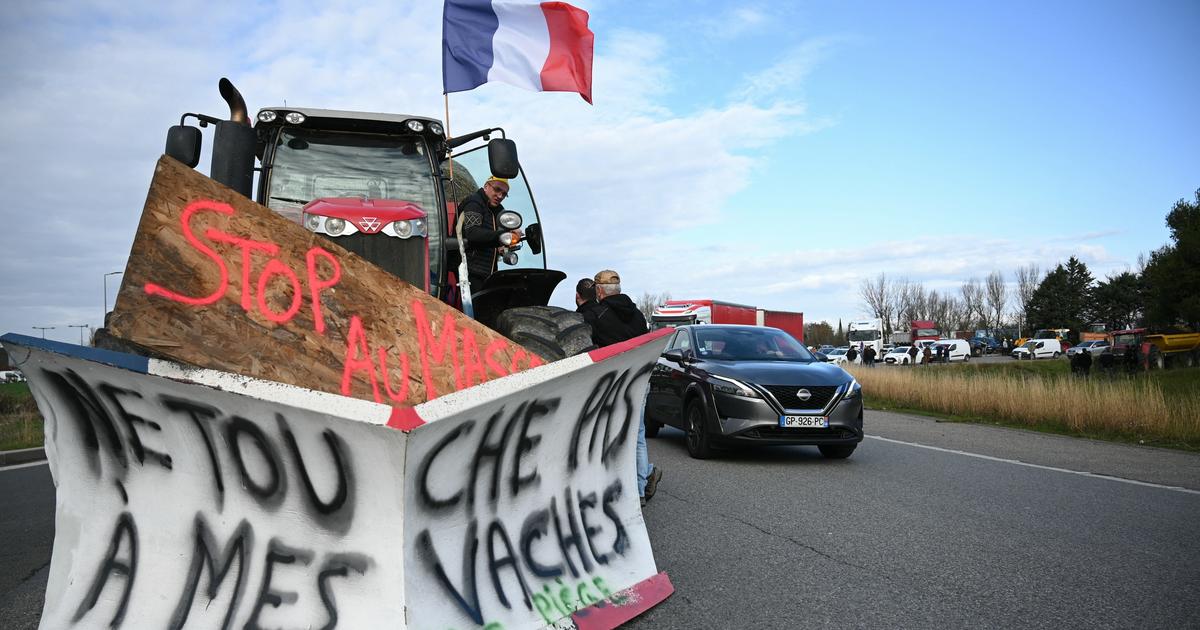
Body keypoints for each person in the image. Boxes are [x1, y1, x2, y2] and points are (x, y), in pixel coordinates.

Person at [588, 270, 660, 506]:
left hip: (612, 383)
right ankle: (639, 491)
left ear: (599, 291)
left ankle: (611, 489)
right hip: (640, 379)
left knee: (607, 435)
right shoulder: (638, 315)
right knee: (637, 435)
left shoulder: (596, 316)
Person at [458, 176, 524, 295]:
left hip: (487, 273)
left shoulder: (497, 210)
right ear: (486, 186)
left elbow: (497, 236)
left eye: (504, 194)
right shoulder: (474, 202)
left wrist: (507, 241)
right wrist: (504, 235)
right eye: (497, 190)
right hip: (468, 272)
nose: (500, 196)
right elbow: (473, 234)